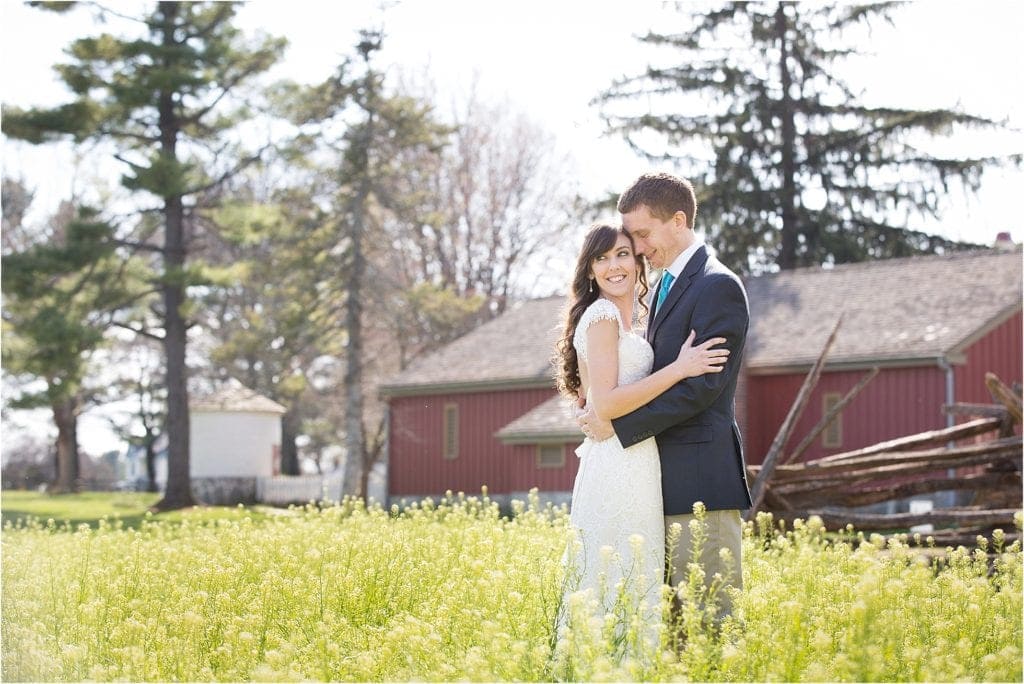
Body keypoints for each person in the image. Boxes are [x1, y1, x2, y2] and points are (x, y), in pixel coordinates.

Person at [578, 172, 753, 627]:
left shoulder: (718, 285)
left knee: (710, 619)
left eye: (641, 234)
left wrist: (619, 425)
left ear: (678, 221)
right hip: (655, 481)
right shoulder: (661, 288)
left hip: (701, 481)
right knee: (671, 627)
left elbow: (701, 388)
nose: (636, 249)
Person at [554, 222, 730, 656]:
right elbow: (609, 402)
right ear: (589, 270)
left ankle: (632, 659)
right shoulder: (601, 315)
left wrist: (587, 406)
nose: (614, 266)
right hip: (618, 460)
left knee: (636, 565)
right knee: (614, 562)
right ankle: (605, 660)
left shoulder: (636, 319)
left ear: (637, 261)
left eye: (621, 254)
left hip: (637, 456)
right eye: (601, 258)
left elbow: (589, 395)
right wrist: (680, 368)